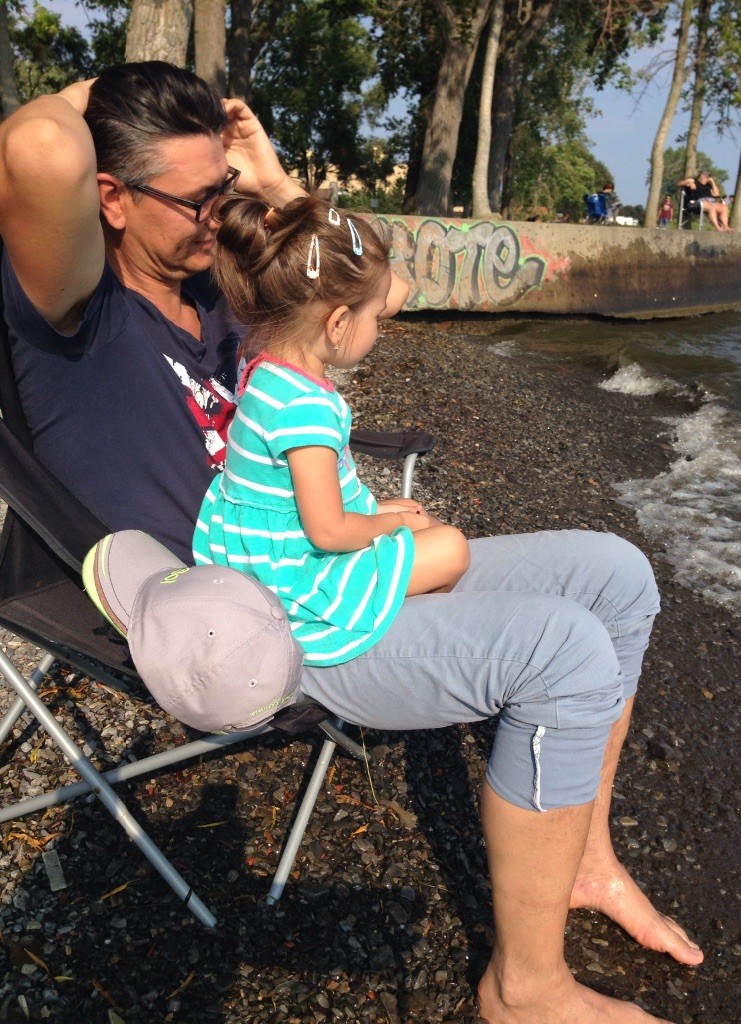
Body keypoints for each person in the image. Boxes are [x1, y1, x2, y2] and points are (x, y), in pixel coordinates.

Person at [0, 62, 703, 1024]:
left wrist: (268, 175)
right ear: (112, 199)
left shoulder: (220, 292)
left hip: (331, 565)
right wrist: (104, 92)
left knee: (617, 577)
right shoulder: (75, 317)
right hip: (256, 622)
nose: (220, 214)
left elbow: (385, 288)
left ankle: (583, 857)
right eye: (199, 199)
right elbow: (37, 147)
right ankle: (525, 989)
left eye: (223, 190)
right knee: (565, 652)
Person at [193, 194, 469, 665]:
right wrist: (391, 523)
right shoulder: (306, 408)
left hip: (256, 552)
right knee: (451, 547)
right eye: (376, 318)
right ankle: (401, 642)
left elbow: (292, 497)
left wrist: (377, 511)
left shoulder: (265, 368)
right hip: (290, 581)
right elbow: (326, 531)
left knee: (421, 522)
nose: (380, 327)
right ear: (338, 323)